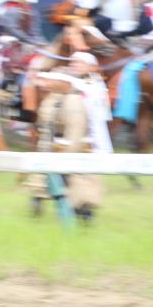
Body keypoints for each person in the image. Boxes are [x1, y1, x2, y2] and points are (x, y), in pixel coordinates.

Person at [30, 51, 112, 222]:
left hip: (74, 150)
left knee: (82, 186)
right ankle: (39, 202)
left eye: (51, 80)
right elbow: (45, 124)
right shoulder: (54, 98)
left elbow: (77, 131)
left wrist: (67, 154)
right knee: (45, 181)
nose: (46, 83)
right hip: (54, 148)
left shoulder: (77, 98)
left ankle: (83, 214)